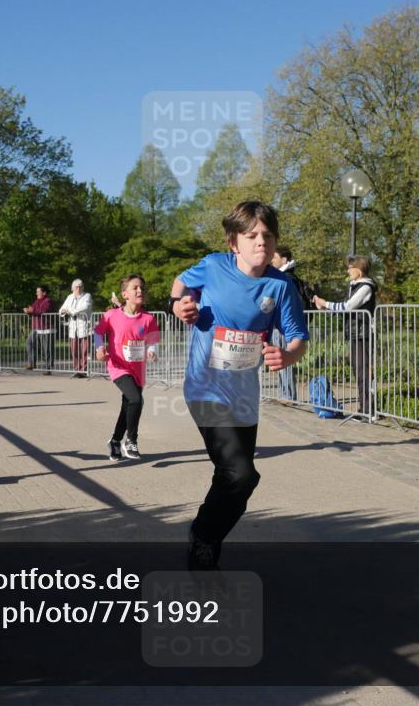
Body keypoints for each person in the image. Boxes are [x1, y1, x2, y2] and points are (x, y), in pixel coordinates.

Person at [170, 201, 309, 571]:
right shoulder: (214, 266)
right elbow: (181, 284)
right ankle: (203, 537)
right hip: (204, 387)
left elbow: (297, 337)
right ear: (235, 242)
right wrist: (178, 305)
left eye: (268, 235)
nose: (261, 242)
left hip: (244, 394)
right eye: (252, 236)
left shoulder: (281, 287)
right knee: (240, 472)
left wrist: (287, 356)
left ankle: (207, 536)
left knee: (239, 480)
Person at [94, 275, 160, 461]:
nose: (140, 291)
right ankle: (131, 440)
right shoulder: (111, 315)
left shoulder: (148, 318)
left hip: (138, 369)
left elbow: (153, 340)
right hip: (118, 367)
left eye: (142, 288)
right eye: (135, 288)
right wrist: (100, 348)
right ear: (125, 294)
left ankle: (115, 441)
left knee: (128, 405)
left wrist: (152, 351)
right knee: (136, 400)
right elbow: (98, 333)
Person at [312, 256, 377, 417]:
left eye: (350, 267)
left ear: (359, 270)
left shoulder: (366, 287)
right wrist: (326, 308)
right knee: (359, 371)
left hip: (363, 334)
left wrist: (325, 303)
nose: (348, 270)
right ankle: (364, 409)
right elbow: (343, 307)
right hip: (355, 334)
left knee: (363, 372)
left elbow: (348, 306)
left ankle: (369, 410)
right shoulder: (354, 286)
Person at [270, 246, 312, 402]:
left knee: (284, 359)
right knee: (280, 360)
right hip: (280, 324)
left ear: (284, 259)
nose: (271, 260)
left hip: (285, 325)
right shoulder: (284, 277)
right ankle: (284, 393)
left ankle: (288, 395)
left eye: (274, 257)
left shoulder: (288, 279)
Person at [58, 279, 93, 378]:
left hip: (84, 326)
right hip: (73, 327)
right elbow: (61, 310)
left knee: (85, 350)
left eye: (80, 286)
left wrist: (70, 311)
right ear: (72, 288)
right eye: (76, 287)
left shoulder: (87, 296)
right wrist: (64, 311)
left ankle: (84, 370)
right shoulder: (70, 297)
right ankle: (76, 370)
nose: (78, 288)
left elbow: (84, 307)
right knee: (74, 350)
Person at [24, 286, 56, 374]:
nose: (37, 293)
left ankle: (48, 368)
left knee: (47, 350)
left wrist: (32, 310)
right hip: (36, 328)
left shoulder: (48, 301)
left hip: (46, 328)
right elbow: (33, 310)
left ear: (44, 293)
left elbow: (43, 311)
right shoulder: (36, 301)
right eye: (36, 291)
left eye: (38, 291)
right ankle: (32, 363)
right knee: (29, 342)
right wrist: (28, 311)